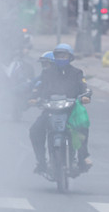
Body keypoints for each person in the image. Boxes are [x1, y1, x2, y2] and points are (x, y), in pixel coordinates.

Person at [29, 43, 92, 174]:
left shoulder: (77, 73)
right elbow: (39, 88)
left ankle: (82, 158)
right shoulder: (47, 73)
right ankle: (41, 161)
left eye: (64, 56)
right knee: (35, 130)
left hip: (70, 111)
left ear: (70, 57)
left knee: (81, 127)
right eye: (58, 55)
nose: (61, 58)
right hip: (50, 110)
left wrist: (86, 96)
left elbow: (84, 87)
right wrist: (34, 97)